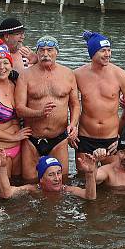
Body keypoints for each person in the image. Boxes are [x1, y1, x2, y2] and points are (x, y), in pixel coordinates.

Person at [16, 35, 81, 180]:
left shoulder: (68, 74)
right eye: (42, 50)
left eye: (50, 50)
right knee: (30, 183)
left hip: (58, 139)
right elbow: (19, 108)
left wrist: (73, 125)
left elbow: (75, 104)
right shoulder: (25, 76)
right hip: (32, 138)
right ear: (37, 52)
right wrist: (39, 112)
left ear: (57, 52)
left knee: (61, 183)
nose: (45, 54)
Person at [75, 31, 125, 159]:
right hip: (84, 137)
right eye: (103, 51)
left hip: (110, 139)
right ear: (92, 53)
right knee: (82, 177)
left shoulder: (119, 74)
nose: (108, 54)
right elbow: (70, 104)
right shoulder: (78, 75)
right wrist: (71, 130)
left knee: (110, 178)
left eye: (109, 50)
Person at [0, 43, 31, 179]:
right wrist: (14, 137)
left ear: (11, 65)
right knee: (3, 194)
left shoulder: (15, 84)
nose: (2, 68)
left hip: (19, 148)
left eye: (5, 63)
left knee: (19, 192)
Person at [0, 151, 97, 200]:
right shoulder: (33, 189)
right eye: (51, 175)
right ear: (41, 179)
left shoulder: (67, 190)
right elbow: (6, 194)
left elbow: (90, 196)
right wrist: (2, 168)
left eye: (59, 173)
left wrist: (90, 173)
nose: (57, 178)